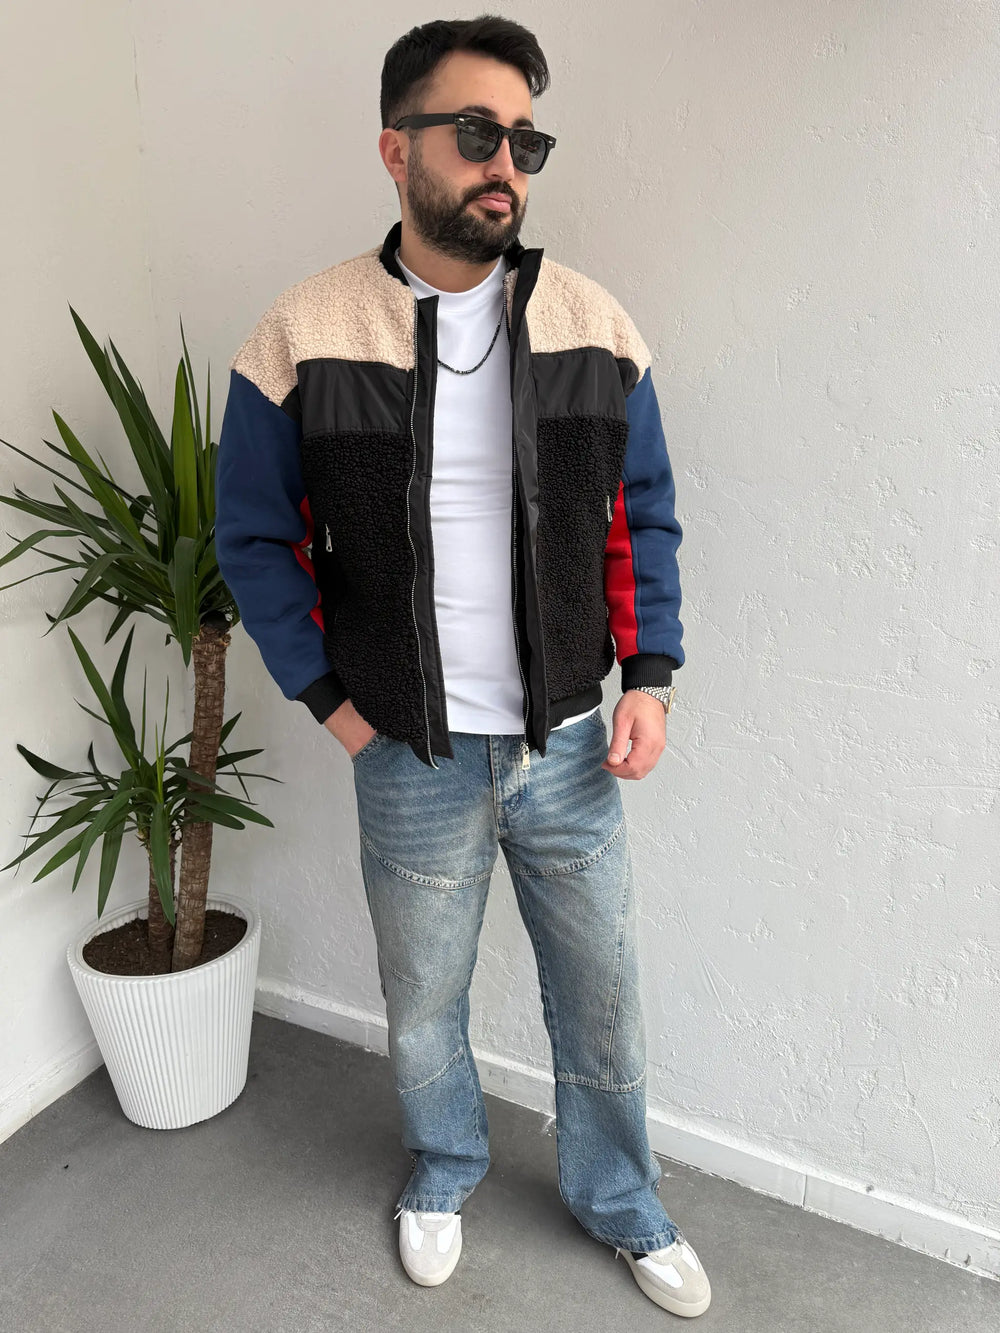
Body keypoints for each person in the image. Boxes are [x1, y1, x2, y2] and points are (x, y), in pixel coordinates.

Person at [215, 13, 710, 1319]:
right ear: (398, 149)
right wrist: (337, 707)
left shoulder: (595, 324)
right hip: (407, 754)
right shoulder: (305, 331)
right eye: (478, 133)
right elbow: (253, 538)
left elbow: (641, 514)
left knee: (602, 998)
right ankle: (443, 1167)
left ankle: (624, 1197)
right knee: (423, 998)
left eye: (525, 141)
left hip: (570, 747)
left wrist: (650, 677)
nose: (506, 164)